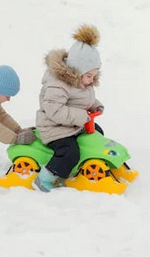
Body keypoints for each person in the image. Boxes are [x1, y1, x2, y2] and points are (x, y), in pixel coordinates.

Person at [32, 24, 105, 192]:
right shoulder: (58, 85)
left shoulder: (81, 82)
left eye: (94, 76)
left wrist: (95, 105)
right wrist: (81, 116)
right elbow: (54, 110)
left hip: (71, 125)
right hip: (54, 128)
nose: (91, 81)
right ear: (76, 71)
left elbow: (81, 99)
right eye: (89, 76)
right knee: (69, 152)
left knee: (97, 132)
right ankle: (45, 179)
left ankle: (80, 166)